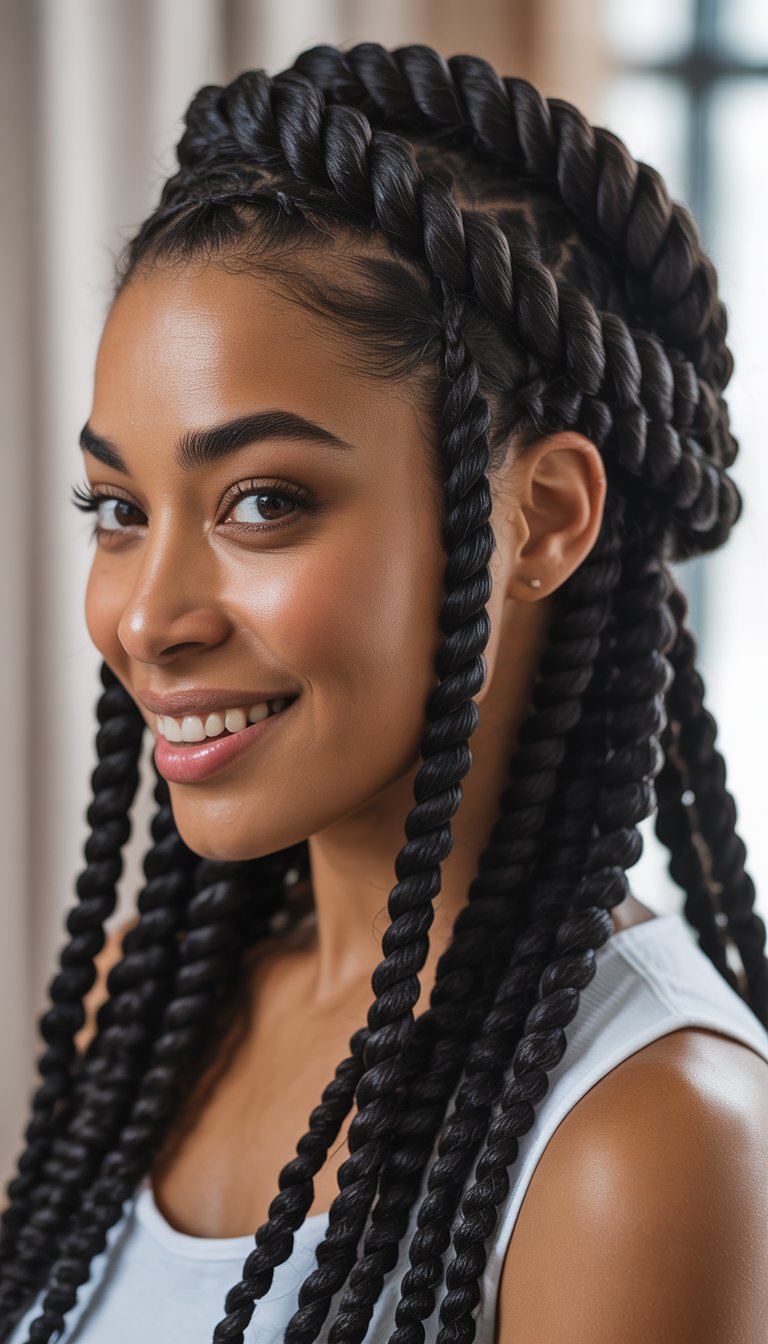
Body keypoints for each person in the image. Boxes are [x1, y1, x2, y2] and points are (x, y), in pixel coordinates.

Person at [1, 39, 767, 1344]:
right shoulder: (143, 1016)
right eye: (119, 509)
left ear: (542, 517)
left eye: (263, 503)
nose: (146, 619)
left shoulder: (646, 1143)